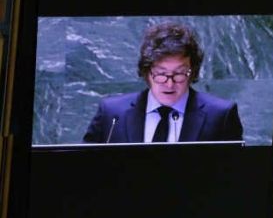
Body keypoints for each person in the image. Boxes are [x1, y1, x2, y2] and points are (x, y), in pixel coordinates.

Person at [82, 22, 243, 144]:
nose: (169, 84)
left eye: (179, 73)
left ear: (192, 72)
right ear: (147, 72)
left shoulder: (221, 115)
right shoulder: (112, 114)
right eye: (161, 74)